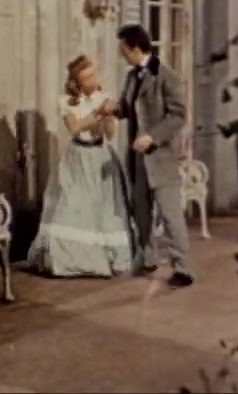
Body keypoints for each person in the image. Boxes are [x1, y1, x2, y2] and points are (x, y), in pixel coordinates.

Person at [98, 24, 194, 288]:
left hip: (161, 158)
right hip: (139, 160)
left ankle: (183, 267)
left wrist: (152, 136)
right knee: (141, 212)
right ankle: (148, 257)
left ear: (134, 48)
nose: (121, 55)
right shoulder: (131, 77)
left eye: (123, 50)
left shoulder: (167, 76)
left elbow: (178, 116)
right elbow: (128, 108)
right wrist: (113, 108)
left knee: (170, 214)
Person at [26, 55, 136, 278]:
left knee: (104, 208)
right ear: (76, 82)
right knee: (72, 204)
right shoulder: (67, 102)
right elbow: (74, 128)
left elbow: (110, 135)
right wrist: (98, 113)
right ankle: (66, 260)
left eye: (93, 75)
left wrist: (108, 117)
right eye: (86, 78)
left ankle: (106, 258)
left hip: (100, 156)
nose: (92, 80)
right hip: (77, 158)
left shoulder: (104, 98)